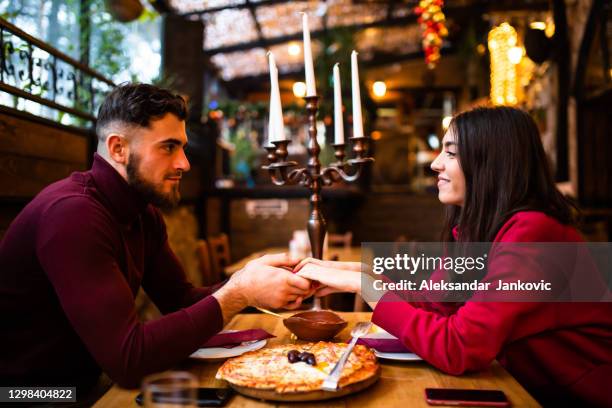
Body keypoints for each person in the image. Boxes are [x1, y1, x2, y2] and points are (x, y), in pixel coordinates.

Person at [0, 84, 312, 398]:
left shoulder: (142, 212)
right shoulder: (73, 214)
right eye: (168, 147)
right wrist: (238, 292)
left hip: (87, 387)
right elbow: (128, 360)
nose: (184, 163)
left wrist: (250, 283)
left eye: (183, 148)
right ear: (118, 149)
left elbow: (182, 301)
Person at [295, 106, 612, 407]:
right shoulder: (483, 228)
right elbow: (436, 302)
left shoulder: (535, 235)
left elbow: (459, 346)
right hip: (526, 386)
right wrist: (356, 276)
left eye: (450, 152)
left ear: (491, 161)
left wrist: (364, 285)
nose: (434, 164)